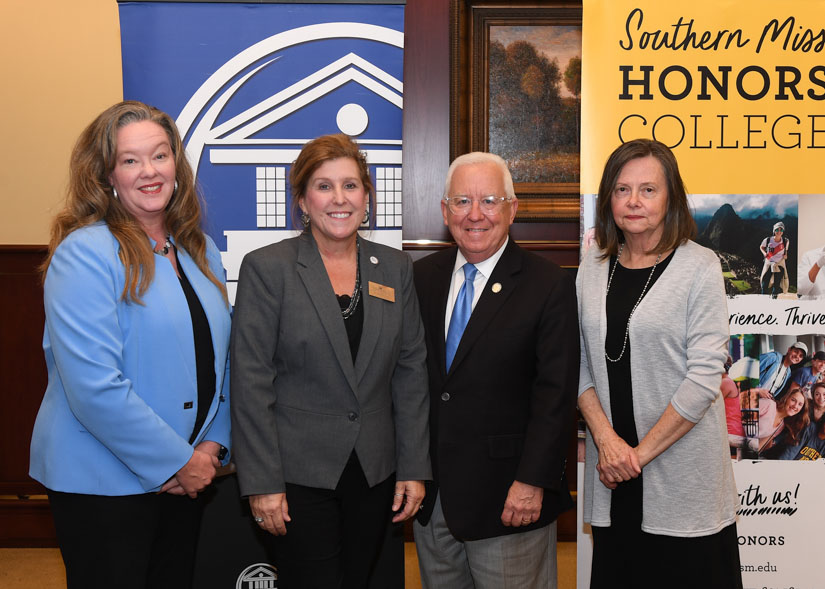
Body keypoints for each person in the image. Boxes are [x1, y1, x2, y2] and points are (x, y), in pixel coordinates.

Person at [29, 101, 232, 589]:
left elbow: (222, 365)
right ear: (106, 176)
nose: (149, 171)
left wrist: (211, 446)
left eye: (159, 156)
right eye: (130, 160)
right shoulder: (84, 254)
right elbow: (94, 386)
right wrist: (178, 461)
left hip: (187, 478)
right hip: (104, 482)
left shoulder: (200, 252)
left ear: (177, 166)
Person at [230, 134, 430, 587]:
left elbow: (411, 373)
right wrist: (261, 481)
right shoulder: (269, 268)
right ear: (302, 200)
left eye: (350, 186)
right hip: (297, 474)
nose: (339, 199)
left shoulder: (395, 269)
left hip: (375, 472)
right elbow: (250, 381)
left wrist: (415, 467)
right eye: (323, 186)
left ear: (367, 197)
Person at [577, 139, 742, 589]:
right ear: (608, 198)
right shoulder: (591, 266)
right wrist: (609, 443)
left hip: (680, 480)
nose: (633, 201)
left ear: (671, 197)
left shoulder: (699, 266)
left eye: (648, 189)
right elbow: (579, 363)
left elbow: (705, 376)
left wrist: (636, 457)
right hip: (612, 477)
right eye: (622, 189)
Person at [413, 152, 578, 589]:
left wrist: (532, 481)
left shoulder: (549, 284)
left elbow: (556, 395)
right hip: (435, 503)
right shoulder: (421, 277)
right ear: (444, 210)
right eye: (461, 201)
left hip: (509, 501)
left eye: (489, 200)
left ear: (512, 208)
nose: (475, 214)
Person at [756, 386, 808, 454]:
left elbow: (760, 445)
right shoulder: (768, 405)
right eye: (793, 400)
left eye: (800, 404)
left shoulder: (781, 426)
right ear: (786, 398)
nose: (795, 406)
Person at [759, 221, 789, 297]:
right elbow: (761, 247)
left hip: (779, 264)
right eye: (777, 230)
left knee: (777, 285)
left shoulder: (786, 241)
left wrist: (786, 255)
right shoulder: (768, 240)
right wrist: (765, 253)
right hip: (769, 263)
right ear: (774, 231)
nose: (779, 232)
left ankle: (774, 301)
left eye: (781, 230)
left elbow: (785, 250)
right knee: (764, 284)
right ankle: (763, 300)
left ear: (783, 231)